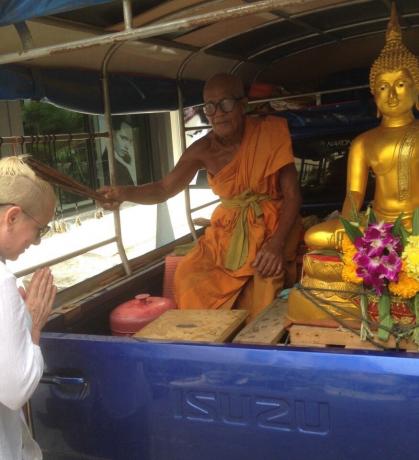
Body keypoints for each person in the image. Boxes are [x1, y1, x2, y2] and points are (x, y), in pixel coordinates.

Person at [98, 73, 301, 318]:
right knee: (188, 277)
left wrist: (276, 245)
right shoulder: (202, 150)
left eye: (225, 104)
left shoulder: (269, 133)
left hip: (272, 228)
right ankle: (209, 342)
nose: (218, 113)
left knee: (266, 280)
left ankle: (246, 346)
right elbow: (164, 188)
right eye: (209, 107)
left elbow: (292, 196)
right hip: (226, 235)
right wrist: (124, 193)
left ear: (243, 105)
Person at [305, 2, 419, 249]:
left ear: (416, 89)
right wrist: (350, 225)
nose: (391, 94)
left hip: (417, 226)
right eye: (382, 87)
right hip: (378, 226)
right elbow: (354, 194)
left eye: (400, 84)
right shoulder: (363, 142)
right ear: (374, 98)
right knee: (313, 236)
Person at [0, 156, 57, 460]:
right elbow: (15, 389)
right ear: (12, 217)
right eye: (39, 229)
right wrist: (33, 324)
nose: (35, 242)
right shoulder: (2, 282)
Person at [102, 119, 136, 186]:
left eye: (130, 141)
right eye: (123, 138)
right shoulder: (108, 164)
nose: (127, 145)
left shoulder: (125, 163)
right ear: (113, 135)